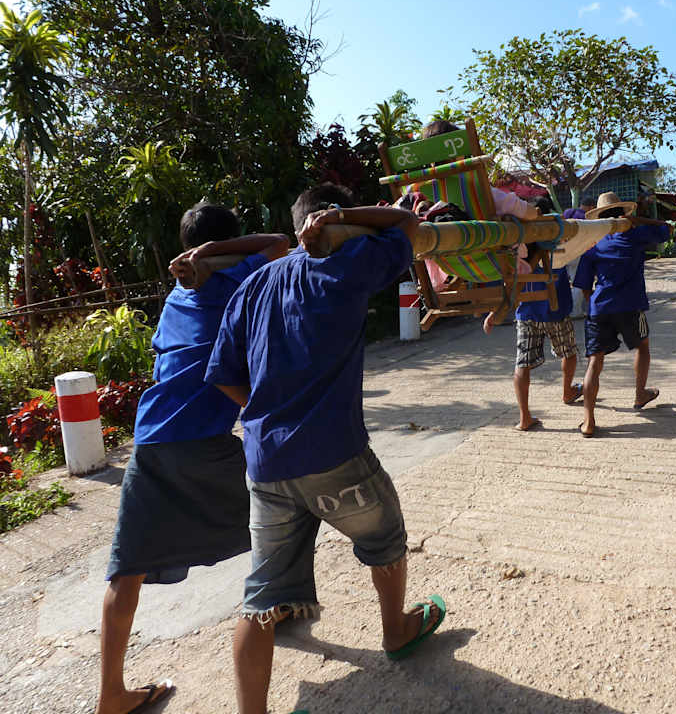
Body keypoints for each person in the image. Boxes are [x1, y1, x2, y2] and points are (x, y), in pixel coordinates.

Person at [204, 184, 445, 714]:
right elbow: (404, 224)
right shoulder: (347, 262)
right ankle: (397, 631)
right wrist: (350, 216)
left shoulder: (253, 284)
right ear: (339, 225)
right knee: (386, 537)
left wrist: (271, 411)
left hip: (265, 461)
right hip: (334, 456)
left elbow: (221, 375)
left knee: (261, 597)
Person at [96, 206, 288, 714]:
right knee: (283, 520)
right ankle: (279, 602)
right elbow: (279, 243)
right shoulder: (233, 278)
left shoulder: (177, 295)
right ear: (227, 246)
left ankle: (110, 694)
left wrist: (202, 255)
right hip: (200, 443)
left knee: (126, 571)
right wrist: (218, 254)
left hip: (150, 440)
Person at [573, 192, 671, 438]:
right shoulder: (635, 236)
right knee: (642, 346)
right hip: (631, 306)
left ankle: (589, 421)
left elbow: (584, 287)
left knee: (594, 361)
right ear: (624, 215)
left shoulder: (592, 247)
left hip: (599, 308)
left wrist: (597, 305)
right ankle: (640, 393)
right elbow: (665, 229)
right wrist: (638, 220)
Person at [513, 239, 582, 431]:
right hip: (556, 314)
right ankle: (567, 392)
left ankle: (524, 417)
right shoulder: (556, 254)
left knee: (522, 363)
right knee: (568, 352)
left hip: (526, 315)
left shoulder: (515, 256)